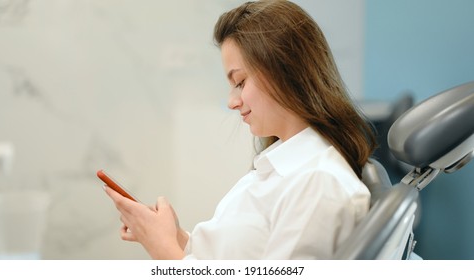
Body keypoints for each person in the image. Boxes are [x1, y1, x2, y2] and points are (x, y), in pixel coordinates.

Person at [103, 0, 377, 260]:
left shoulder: (318, 184)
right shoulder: (282, 166)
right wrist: (174, 236)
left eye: (240, 82)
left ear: (284, 71)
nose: (232, 102)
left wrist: (162, 248)